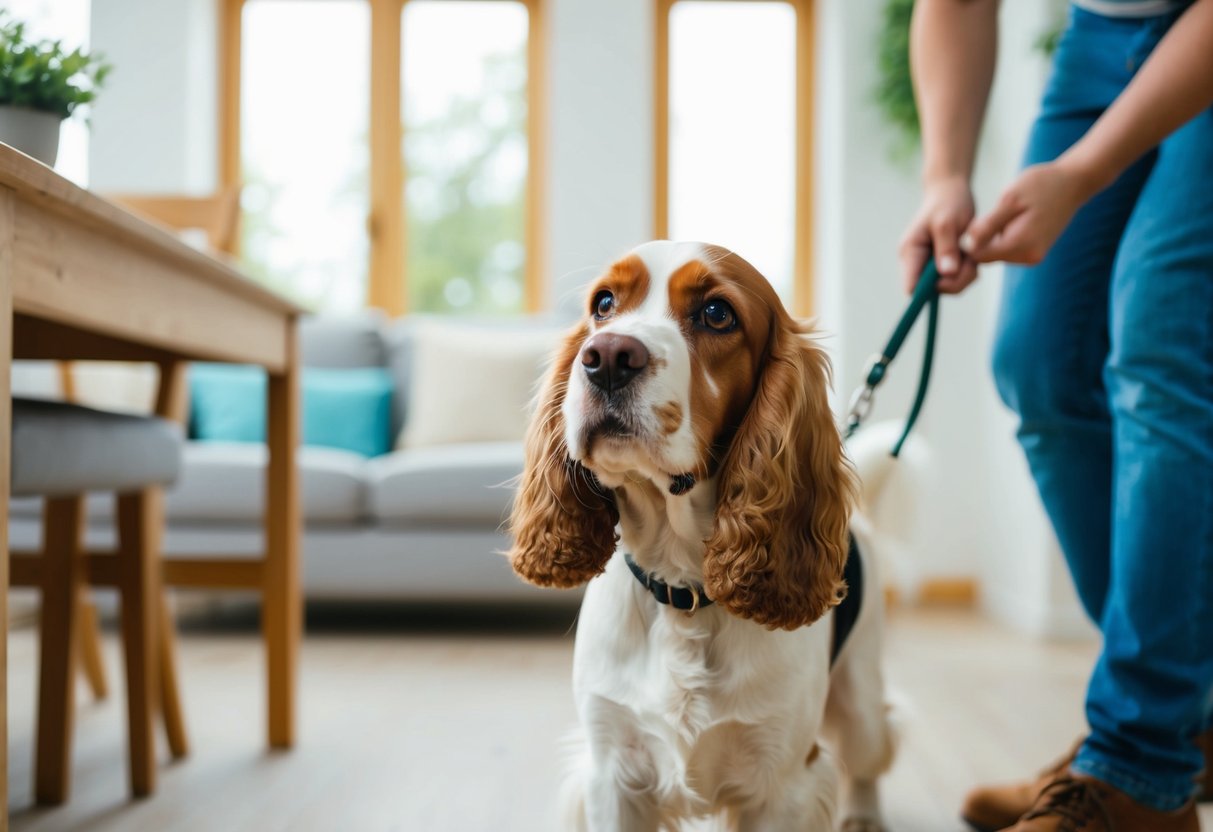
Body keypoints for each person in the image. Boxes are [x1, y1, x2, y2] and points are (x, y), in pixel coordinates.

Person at [900, 0, 1213, 830]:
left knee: (1161, 352)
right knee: (1037, 362)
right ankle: (1185, 718)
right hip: (1099, 36)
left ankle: (1141, 761)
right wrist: (944, 177)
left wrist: (1080, 174)